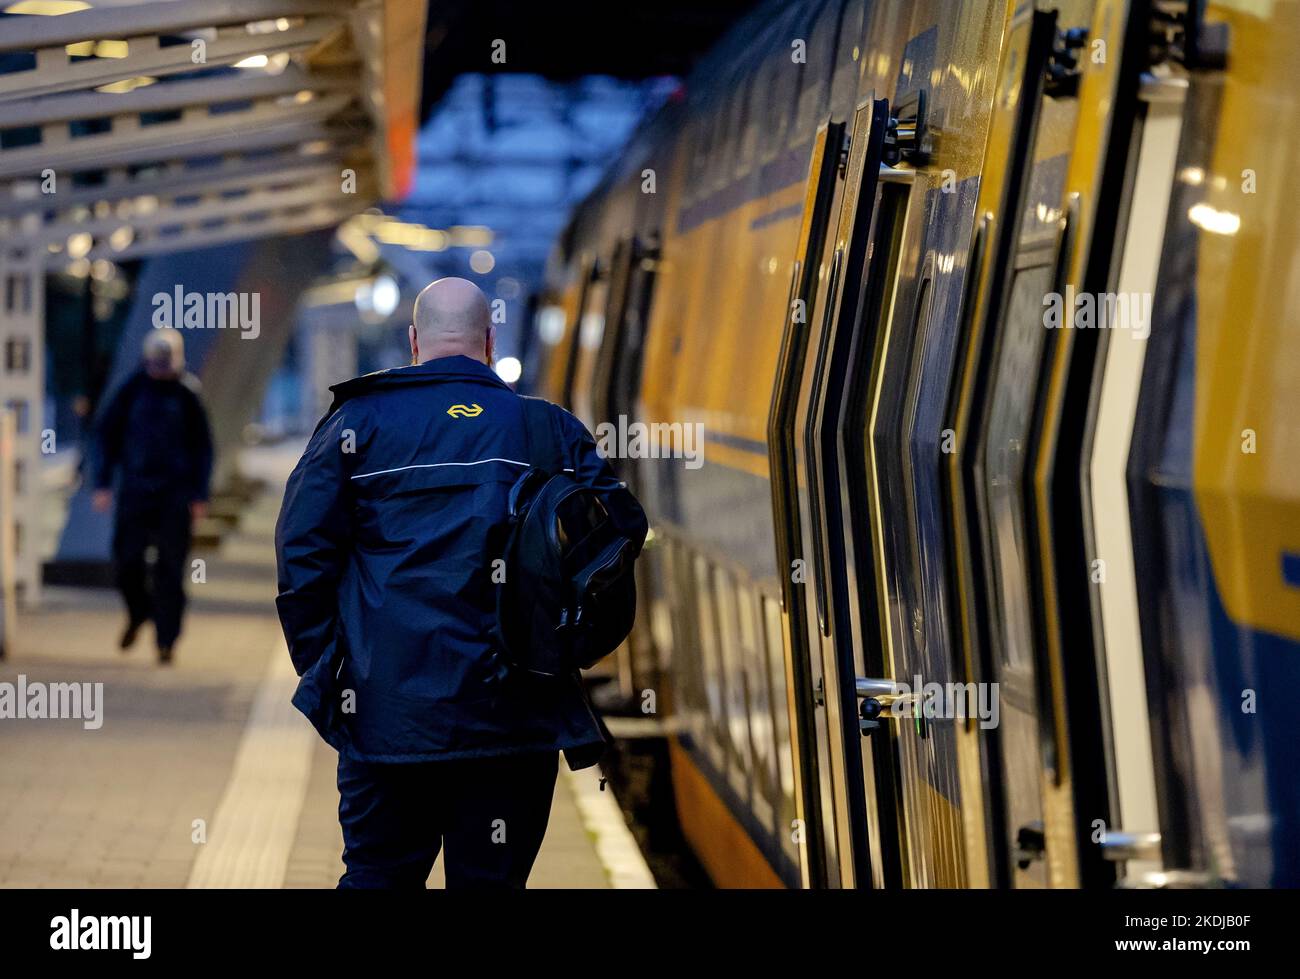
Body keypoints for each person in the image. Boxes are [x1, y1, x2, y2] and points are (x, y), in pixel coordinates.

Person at [275, 277, 646, 889]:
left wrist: (330, 666)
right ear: (490, 338)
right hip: (513, 722)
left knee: (376, 877)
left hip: (388, 718)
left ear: (414, 340)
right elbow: (623, 534)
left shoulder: (357, 425)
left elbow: (301, 550)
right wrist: (566, 650)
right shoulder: (546, 431)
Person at [92, 328, 213, 664]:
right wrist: (101, 483)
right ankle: (138, 611)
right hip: (134, 490)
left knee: (170, 570)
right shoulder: (130, 392)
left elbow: (203, 448)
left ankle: (166, 640)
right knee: (126, 561)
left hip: (175, 495)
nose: (161, 370)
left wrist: (200, 494)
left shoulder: (188, 395)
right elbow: (106, 436)